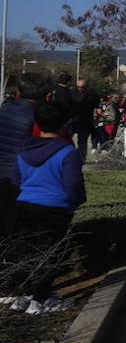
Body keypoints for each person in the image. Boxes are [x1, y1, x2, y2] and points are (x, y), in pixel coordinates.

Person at [4, 103, 85, 314]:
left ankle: (21, 296)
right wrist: (75, 202)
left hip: (25, 205)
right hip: (54, 209)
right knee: (49, 254)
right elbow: (74, 185)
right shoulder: (68, 152)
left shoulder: (23, 149)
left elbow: (15, 178)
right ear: (63, 125)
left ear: (36, 123)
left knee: (23, 251)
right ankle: (41, 299)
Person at [0, 73, 50, 237]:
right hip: (18, 180)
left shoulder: (4, 109)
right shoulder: (40, 119)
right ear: (46, 95)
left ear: (19, 92)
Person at [70, 77, 99, 160]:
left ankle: (82, 158)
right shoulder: (72, 93)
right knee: (68, 138)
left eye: (82, 87)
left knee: (82, 141)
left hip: (85, 121)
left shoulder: (92, 96)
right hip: (73, 120)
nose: (80, 89)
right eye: (78, 87)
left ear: (86, 87)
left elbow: (98, 109)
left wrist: (97, 119)